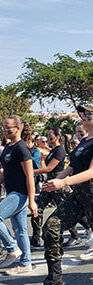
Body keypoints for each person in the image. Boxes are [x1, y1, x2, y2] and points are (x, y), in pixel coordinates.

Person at [33, 104, 93, 285]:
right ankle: (55, 277)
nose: (84, 116)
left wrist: (63, 182)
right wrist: (54, 181)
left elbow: (92, 171)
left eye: (89, 114)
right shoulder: (83, 141)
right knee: (52, 227)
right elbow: (72, 167)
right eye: (83, 113)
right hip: (79, 192)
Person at [30, 128, 83, 248]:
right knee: (37, 208)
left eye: (50, 136)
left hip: (58, 183)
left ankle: (75, 235)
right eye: (48, 136)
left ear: (57, 137)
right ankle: (36, 237)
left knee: (65, 211)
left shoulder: (60, 150)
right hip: (50, 183)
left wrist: (31, 171)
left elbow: (49, 168)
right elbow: (46, 167)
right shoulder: (53, 150)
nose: (48, 138)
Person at [0, 116, 37, 275]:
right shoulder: (8, 147)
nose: (4, 130)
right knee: (20, 230)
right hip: (11, 192)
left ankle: (12, 248)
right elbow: (5, 173)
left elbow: (29, 175)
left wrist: (32, 200)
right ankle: (26, 263)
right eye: (3, 127)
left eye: (7, 127)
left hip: (20, 193)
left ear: (18, 129)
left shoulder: (21, 148)